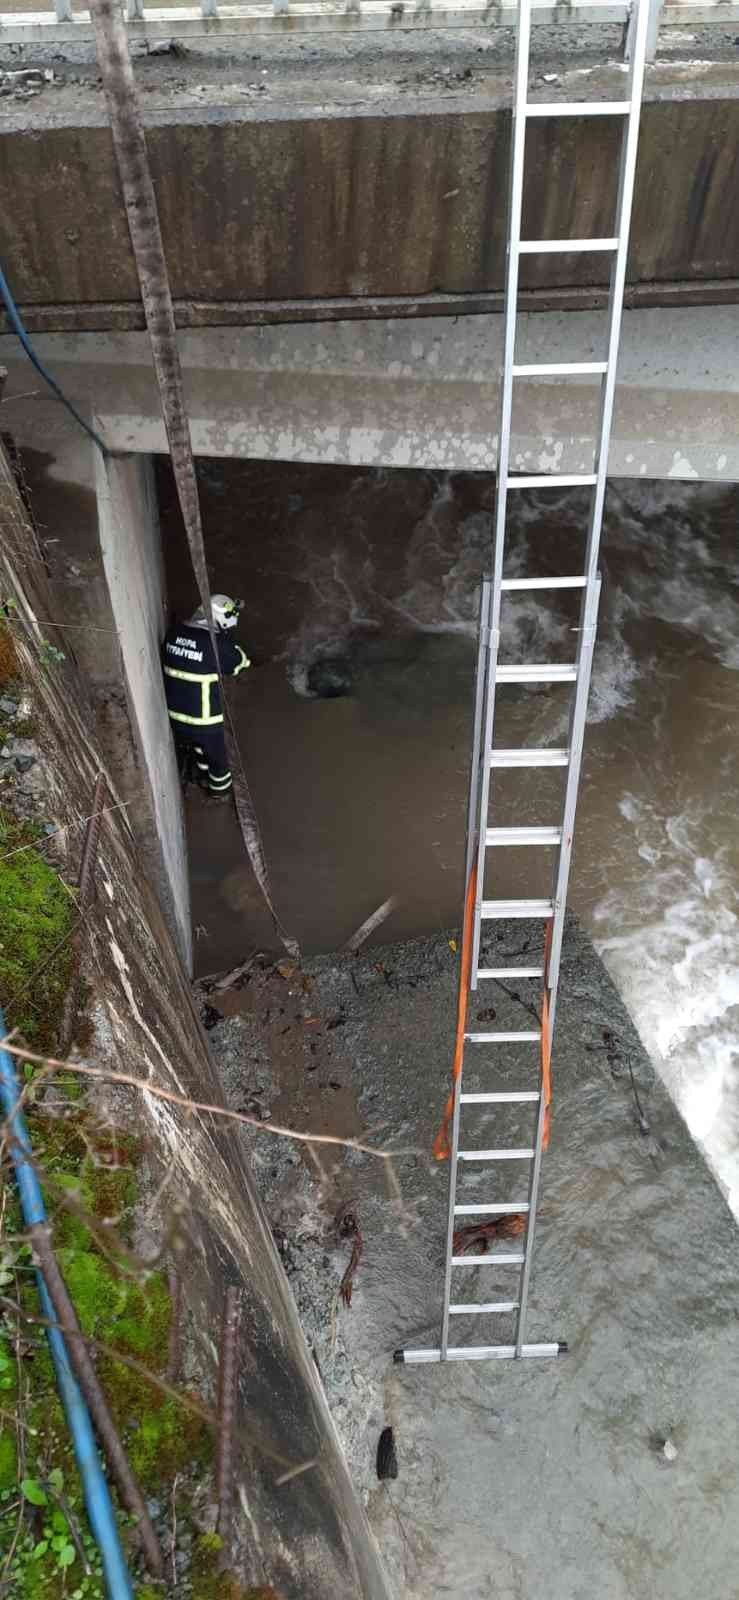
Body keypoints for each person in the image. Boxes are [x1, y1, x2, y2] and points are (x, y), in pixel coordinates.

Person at [162, 594, 250, 798]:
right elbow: (240, 664)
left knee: (201, 749)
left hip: (174, 716)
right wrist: (226, 639)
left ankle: (200, 772)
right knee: (220, 763)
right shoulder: (218, 646)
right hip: (204, 721)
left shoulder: (174, 633)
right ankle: (220, 793)